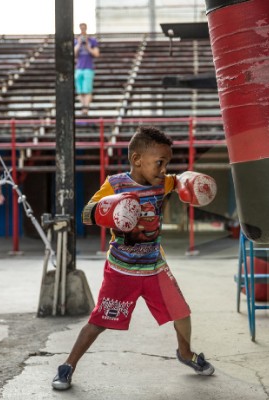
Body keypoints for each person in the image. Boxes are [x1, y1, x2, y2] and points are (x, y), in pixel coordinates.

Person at [52, 126, 218, 390]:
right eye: (159, 162)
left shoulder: (163, 182)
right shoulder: (115, 184)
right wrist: (111, 210)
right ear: (137, 159)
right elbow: (86, 213)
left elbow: (178, 180)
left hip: (155, 266)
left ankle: (185, 354)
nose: (164, 169)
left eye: (167, 163)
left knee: (181, 312)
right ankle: (68, 365)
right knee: (99, 321)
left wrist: (190, 182)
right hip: (121, 269)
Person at [74, 22, 99, 116]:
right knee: (80, 90)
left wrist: (88, 47)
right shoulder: (76, 40)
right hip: (79, 67)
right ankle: (83, 106)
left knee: (87, 89)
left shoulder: (92, 40)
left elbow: (96, 54)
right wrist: (79, 43)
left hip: (88, 67)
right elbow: (74, 54)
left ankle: (86, 107)